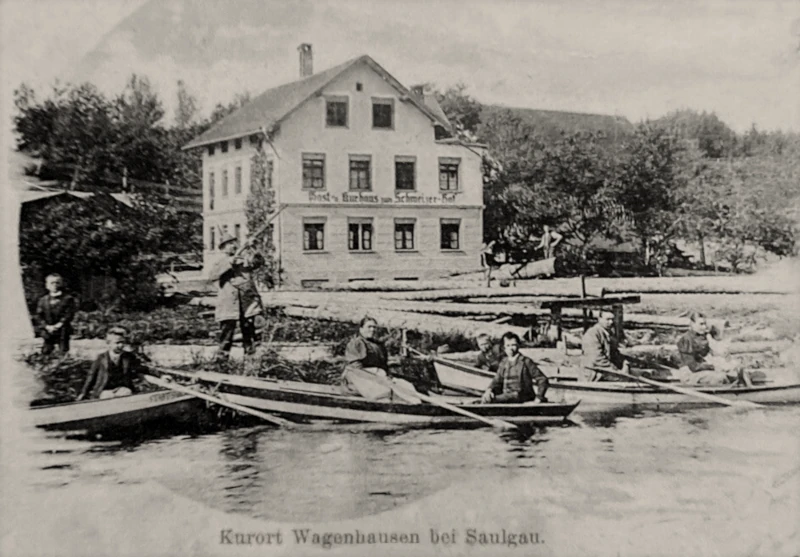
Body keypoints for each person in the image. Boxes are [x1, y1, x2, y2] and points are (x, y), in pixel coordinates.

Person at [207, 231, 265, 360]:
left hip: (247, 302)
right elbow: (212, 276)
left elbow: (259, 262)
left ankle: (251, 359)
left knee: (249, 331)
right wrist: (229, 263)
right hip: (228, 302)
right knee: (227, 333)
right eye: (228, 244)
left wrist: (253, 247)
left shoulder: (245, 258)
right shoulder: (220, 262)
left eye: (234, 243)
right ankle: (222, 359)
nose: (232, 246)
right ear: (222, 248)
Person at [341, 317, 420, 403]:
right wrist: (377, 374)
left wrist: (387, 375)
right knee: (383, 392)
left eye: (374, 327)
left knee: (405, 386)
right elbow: (355, 368)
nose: (372, 330)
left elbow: (383, 365)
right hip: (358, 378)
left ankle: (415, 406)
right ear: (361, 329)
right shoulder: (356, 343)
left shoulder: (379, 345)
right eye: (369, 327)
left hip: (378, 376)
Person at [676, 312, 751, 386]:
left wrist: (725, 357)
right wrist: (714, 367)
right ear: (692, 324)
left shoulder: (702, 337)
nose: (704, 327)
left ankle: (745, 388)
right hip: (690, 374)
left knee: (736, 370)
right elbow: (693, 366)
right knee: (720, 377)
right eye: (701, 324)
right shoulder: (685, 340)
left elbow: (711, 352)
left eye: (705, 324)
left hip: (701, 370)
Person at [481, 332, 549, 403]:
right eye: (508, 345)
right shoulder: (504, 363)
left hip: (523, 398)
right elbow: (496, 381)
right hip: (507, 397)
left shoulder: (526, 361)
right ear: (504, 348)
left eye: (513, 345)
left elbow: (542, 379)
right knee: (484, 399)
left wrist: (539, 398)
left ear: (518, 346)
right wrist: (489, 390)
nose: (511, 348)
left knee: (493, 400)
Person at [77, 327, 141, 400]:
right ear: (109, 343)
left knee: (126, 393)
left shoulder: (128, 357)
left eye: (122, 342)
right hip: (105, 389)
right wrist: (83, 393)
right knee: (107, 397)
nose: (121, 345)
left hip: (122, 389)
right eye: (117, 343)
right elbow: (91, 376)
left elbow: (140, 371)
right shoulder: (101, 358)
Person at [35, 274, 78, 355]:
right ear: (47, 285)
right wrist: (46, 326)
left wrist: (59, 325)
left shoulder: (68, 299)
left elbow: (69, 314)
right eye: (52, 283)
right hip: (48, 330)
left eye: (57, 283)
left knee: (63, 351)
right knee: (46, 351)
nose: (55, 285)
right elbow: (39, 315)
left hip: (62, 329)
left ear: (61, 284)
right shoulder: (43, 300)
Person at [582, 310, 629, 381]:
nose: (611, 322)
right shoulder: (592, 334)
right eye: (608, 319)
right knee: (624, 380)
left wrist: (624, 362)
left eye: (612, 319)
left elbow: (614, 353)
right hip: (594, 374)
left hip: (604, 370)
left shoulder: (608, 333)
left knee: (636, 373)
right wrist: (616, 371)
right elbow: (597, 358)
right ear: (599, 319)